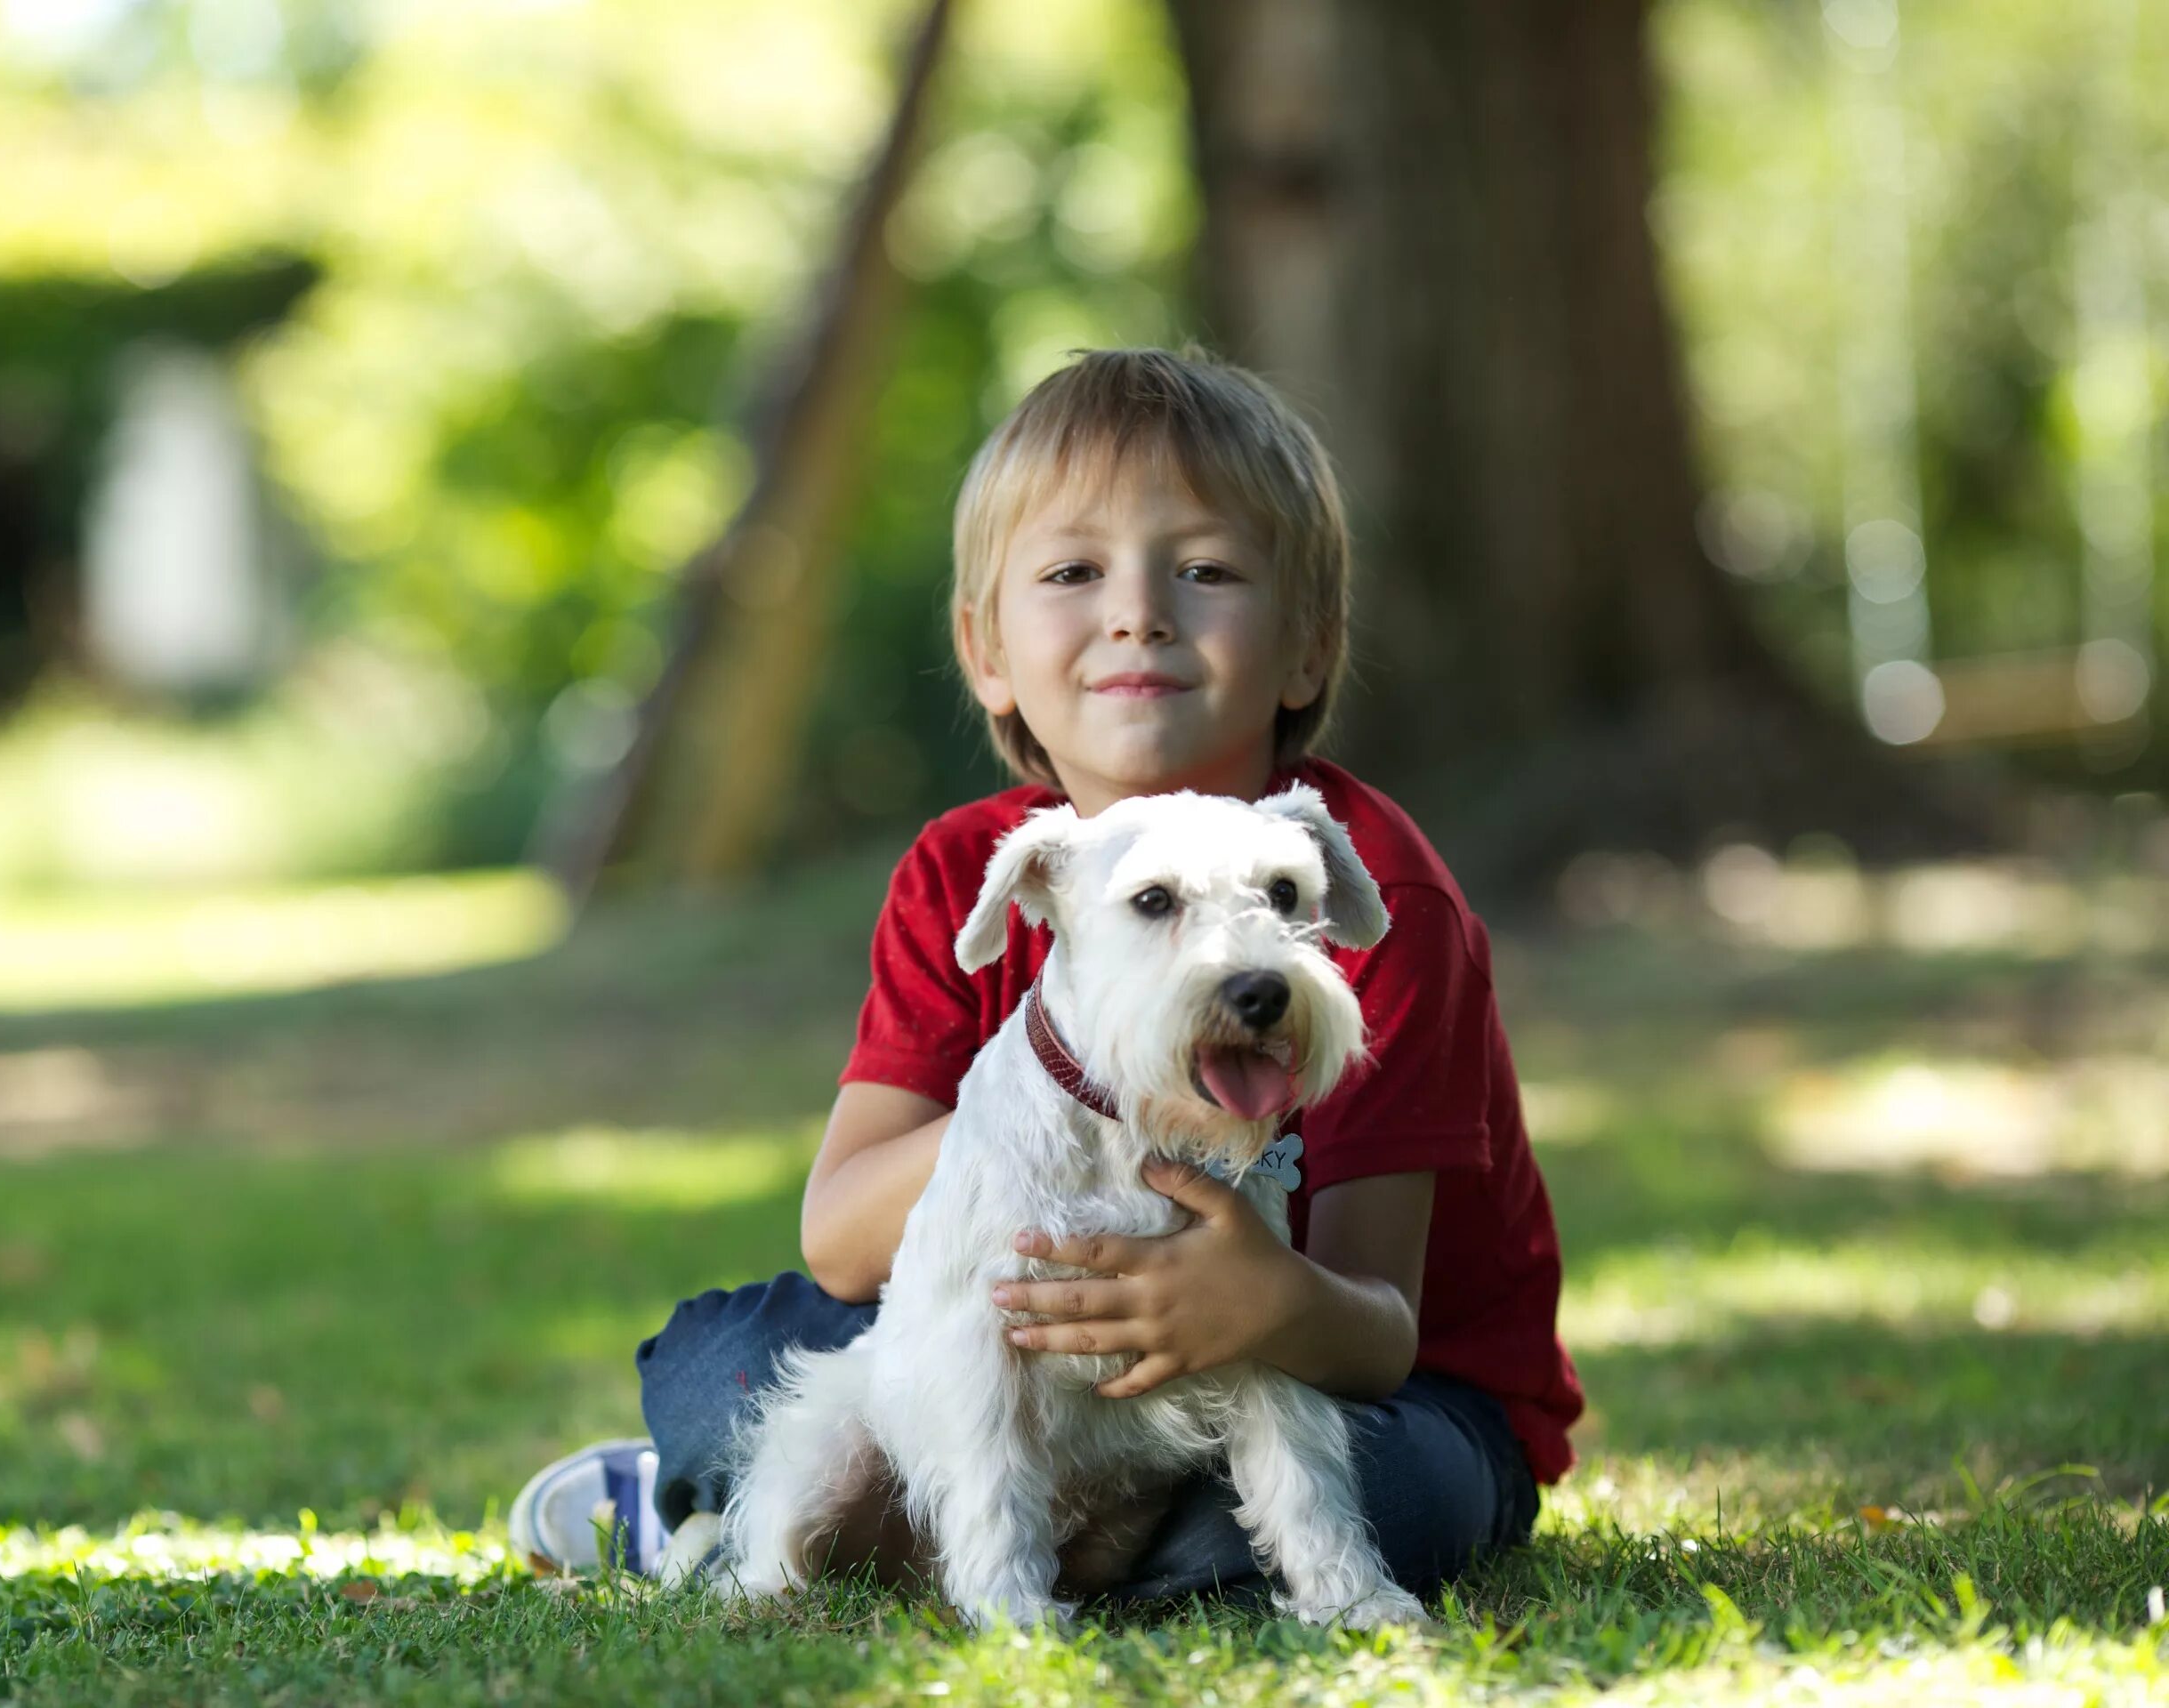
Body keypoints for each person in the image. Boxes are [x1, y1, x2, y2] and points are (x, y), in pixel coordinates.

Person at [510, 344, 1583, 1607]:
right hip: (1020, 1346)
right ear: (988, 654)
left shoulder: (1365, 901)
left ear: (1307, 648)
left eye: (1207, 572)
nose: (1139, 611)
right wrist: (1051, 1100)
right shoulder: (968, 873)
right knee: (729, 1358)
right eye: (1075, 572)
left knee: (1386, 1499)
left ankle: (827, 1530)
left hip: (1370, 1386)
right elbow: (851, 1242)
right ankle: (794, 1501)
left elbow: (1377, 1327)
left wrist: (1258, 1301)